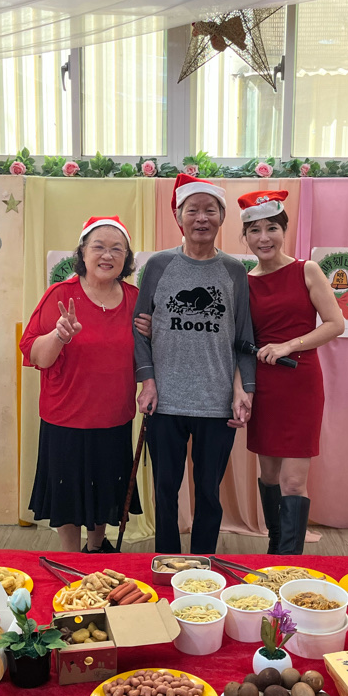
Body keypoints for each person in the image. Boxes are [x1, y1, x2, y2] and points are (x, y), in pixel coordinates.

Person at [133, 173, 256, 554]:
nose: (201, 218)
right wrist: (147, 381)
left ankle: (204, 565)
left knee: (208, 493)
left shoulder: (235, 271)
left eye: (210, 210)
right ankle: (166, 561)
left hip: (216, 402)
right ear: (178, 216)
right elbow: (139, 328)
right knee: (165, 490)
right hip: (165, 401)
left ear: (222, 218)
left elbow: (243, 337)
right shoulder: (158, 265)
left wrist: (244, 391)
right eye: (192, 210)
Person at [20, 215, 146, 553]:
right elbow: (36, 355)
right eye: (99, 247)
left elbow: (146, 354)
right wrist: (59, 336)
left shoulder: (135, 299)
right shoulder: (61, 295)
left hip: (114, 417)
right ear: (83, 253)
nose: (107, 255)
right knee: (68, 492)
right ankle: (71, 556)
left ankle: (96, 547)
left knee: (104, 489)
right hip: (66, 417)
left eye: (117, 249)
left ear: (126, 257)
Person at [236, 189, 344, 554]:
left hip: (300, 382)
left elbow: (335, 324)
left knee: (293, 482)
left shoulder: (306, 270)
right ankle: (274, 548)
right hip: (263, 386)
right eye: (254, 230)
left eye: (272, 228)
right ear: (246, 236)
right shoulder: (244, 281)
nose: (264, 237)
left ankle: (288, 563)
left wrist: (288, 345)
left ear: (284, 230)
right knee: (268, 476)